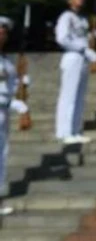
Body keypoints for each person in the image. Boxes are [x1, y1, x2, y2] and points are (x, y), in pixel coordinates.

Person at [55, 0, 96, 144]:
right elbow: (62, 38)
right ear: (69, 0)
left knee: (80, 96)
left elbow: (82, 36)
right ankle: (64, 131)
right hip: (72, 56)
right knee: (69, 95)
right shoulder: (66, 16)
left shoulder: (82, 18)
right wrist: (83, 48)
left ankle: (75, 129)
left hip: (83, 58)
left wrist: (91, 38)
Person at [0, 16, 28, 215]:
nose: (1, 34)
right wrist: (13, 103)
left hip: (3, 113)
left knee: (2, 154)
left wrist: (23, 80)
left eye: (4, 31)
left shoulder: (7, 61)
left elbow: (10, 86)